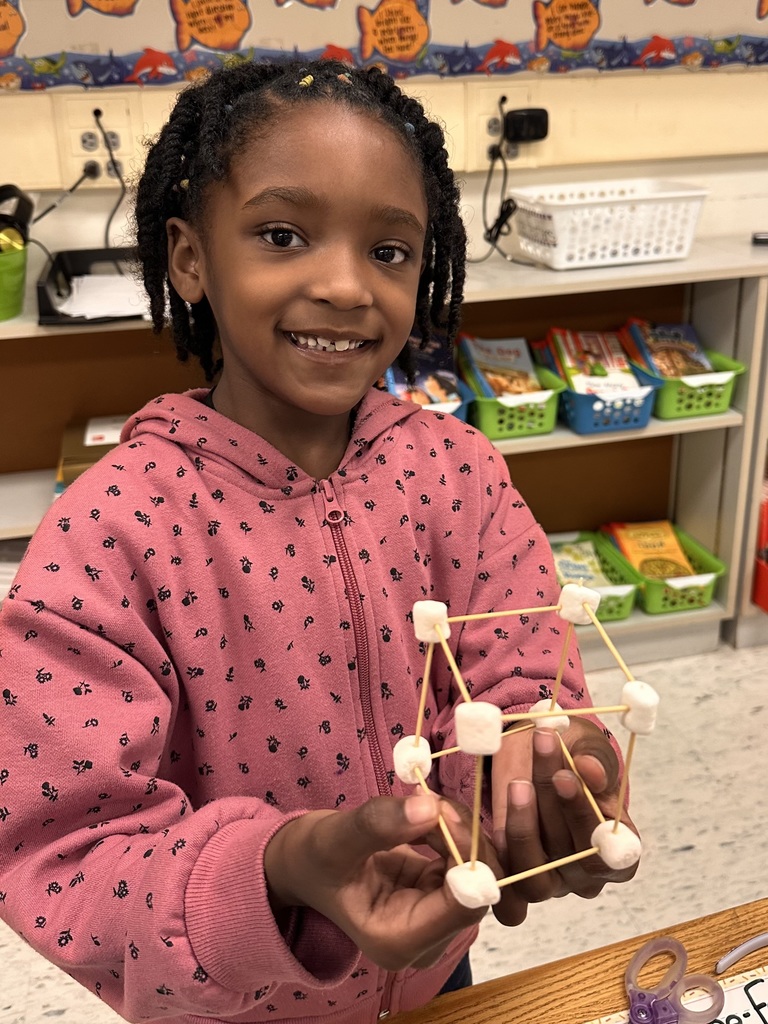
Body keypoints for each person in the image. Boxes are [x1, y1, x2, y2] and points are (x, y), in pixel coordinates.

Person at [0, 58, 637, 1024]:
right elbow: (67, 851)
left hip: (434, 964)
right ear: (190, 256)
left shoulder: (458, 471)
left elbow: (522, 678)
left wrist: (553, 766)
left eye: (389, 251)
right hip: (226, 996)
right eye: (283, 234)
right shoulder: (108, 535)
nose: (345, 286)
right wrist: (284, 867)